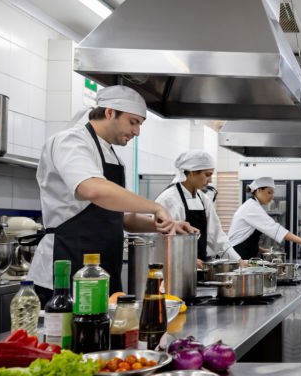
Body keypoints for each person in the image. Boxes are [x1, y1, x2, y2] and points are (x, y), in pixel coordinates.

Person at [30, 85, 190, 297]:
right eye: (133, 122)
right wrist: (156, 207)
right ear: (109, 112)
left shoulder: (112, 155)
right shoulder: (71, 141)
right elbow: (92, 189)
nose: (137, 132)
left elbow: (121, 218)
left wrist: (162, 225)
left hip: (104, 268)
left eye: (139, 125)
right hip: (66, 265)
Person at [155, 150, 240, 266]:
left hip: (199, 266)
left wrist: (237, 261)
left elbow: (216, 236)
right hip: (173, 266)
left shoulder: (204, 199)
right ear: (192, 173)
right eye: (207, 175)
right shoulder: (169, 199)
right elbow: (162, 241)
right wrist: (187, 260)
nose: (210, 180)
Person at [228, 177, 301, 259]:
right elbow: (275, 229)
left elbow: (244, 237)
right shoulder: (251, 207)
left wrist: (262, 250)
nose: (272, 196)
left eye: (273, 193)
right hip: (238, 256)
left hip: (243, 255)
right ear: (258, 190)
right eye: (269, 192)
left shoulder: (252, 205)